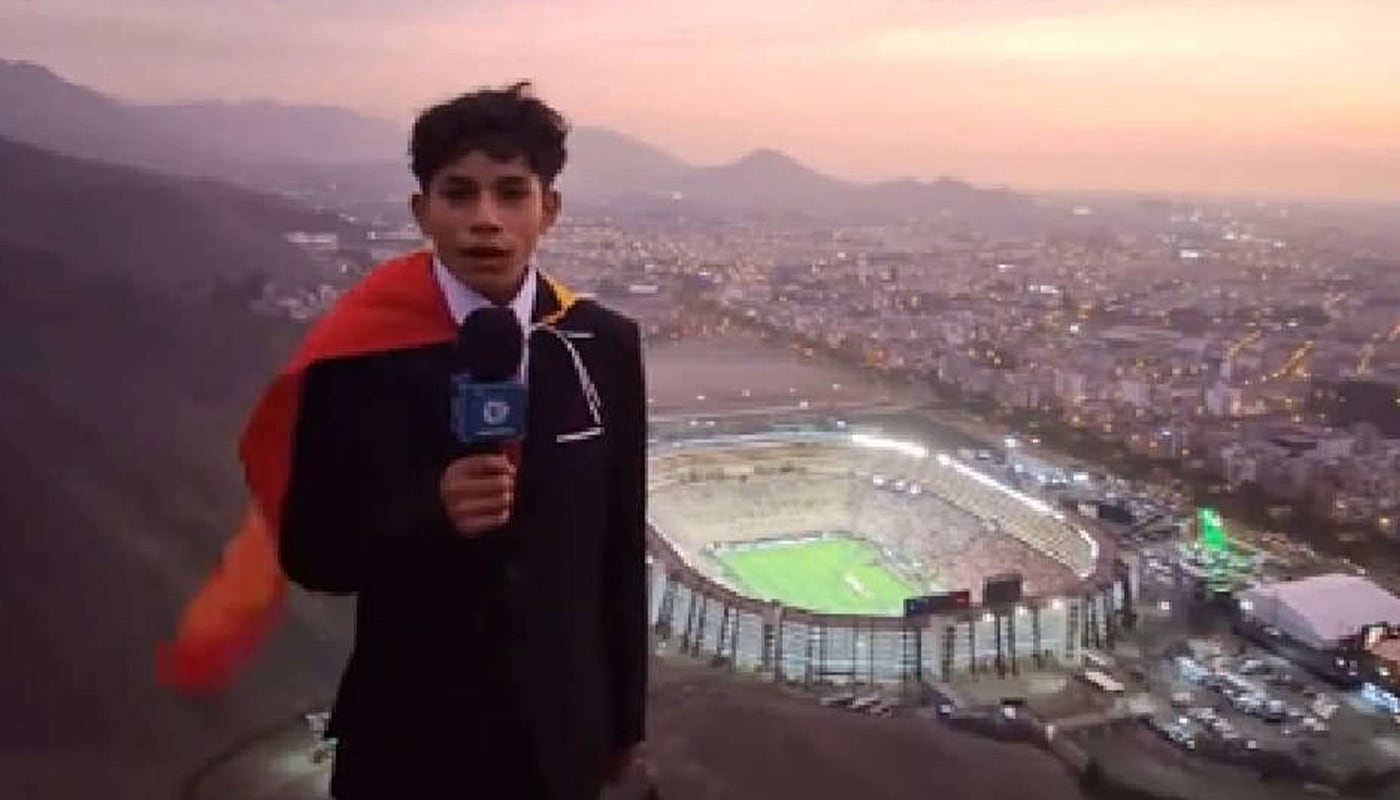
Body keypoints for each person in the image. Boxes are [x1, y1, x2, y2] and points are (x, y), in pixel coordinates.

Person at [160, 82, 648, 799]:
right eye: (458, 194)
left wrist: (622, 725)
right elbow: (312, 553)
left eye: (511, 193)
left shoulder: (601, 344)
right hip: (411, 737)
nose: (485, 221)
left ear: (549, 208)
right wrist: (429, 509)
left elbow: (617, 547)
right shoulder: (359, 356)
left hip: (561, 739)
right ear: (422, 210)